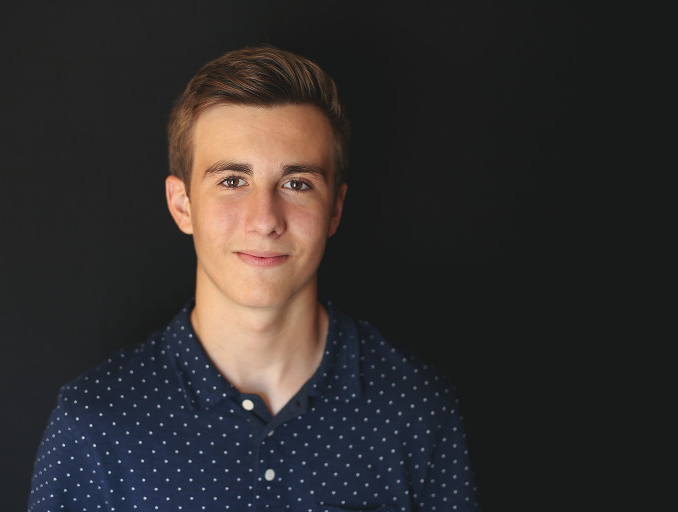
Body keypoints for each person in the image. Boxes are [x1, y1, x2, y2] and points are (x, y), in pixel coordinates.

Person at [28, 45, 481, 511]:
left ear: (336, 209)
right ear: (182, 204)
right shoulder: (96, 421)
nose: (265, 220)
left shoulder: (416, 409)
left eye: (297, 183)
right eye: (232, 181)